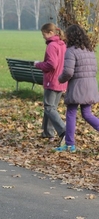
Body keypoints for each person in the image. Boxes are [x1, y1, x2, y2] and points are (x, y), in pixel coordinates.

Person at [54, 24, 99, 153]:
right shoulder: (89, 50)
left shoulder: (71, 50)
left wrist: (60, 79)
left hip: (77, 87)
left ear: (71, 36)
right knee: (87, 114)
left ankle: (69, 144)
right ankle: (69, 144)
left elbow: (68, 72)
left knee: (71, 113)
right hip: (90, 85)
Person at [34, 23, 67, 145]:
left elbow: (51, 64)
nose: (43, 37)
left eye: (44, 34)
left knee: (49, 107)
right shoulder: (62, 44)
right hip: (61, 80)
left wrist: (38, 64)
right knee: (51, 107)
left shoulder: (52, 46)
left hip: (52, 80)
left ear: (50, 33)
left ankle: (64, 132)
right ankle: (48, 132)